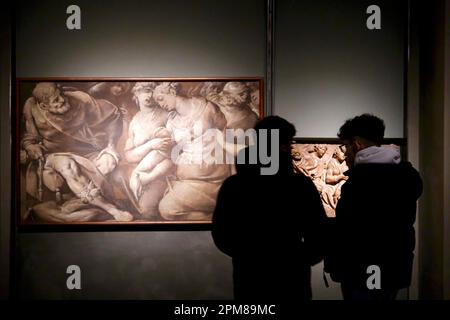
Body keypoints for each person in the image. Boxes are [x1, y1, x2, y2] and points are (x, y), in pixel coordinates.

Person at [212, 116, 327, 300]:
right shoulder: (299, 185)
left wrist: (247, 254)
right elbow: (318, 232)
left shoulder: (234, 185)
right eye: (289, 143)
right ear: (281, 146)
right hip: (291, 276)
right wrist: (299, 258)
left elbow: (221, 233)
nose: (291, 148)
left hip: (250, 275)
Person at [325, 114, 423, 300]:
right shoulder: (406, 176)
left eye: (345, 146)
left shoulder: (360, 183)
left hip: (363, 271)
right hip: (393, 269)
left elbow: (349, 232)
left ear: (356, 144)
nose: (345, 153)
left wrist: (335, 264)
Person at [21, 82, 133, 222]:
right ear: (43, 106)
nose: (62, 99)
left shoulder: (81, 99)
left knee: (108, 162)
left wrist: (110, 146)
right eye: (56, 100)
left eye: (60, 94)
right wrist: (30, 147)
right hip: (55, 155)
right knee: (67, 165)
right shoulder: (31, 107)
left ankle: (74, 205)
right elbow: (29, 138)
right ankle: (112, 209)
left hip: (89, 153)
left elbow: (113, 114)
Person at [152, 82, 230, 221]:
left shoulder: (206, 107)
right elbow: (171, 149)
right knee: (167, 210)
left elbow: (225, 133)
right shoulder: (171, 121)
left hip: (213, 178)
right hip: (188, 178)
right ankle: (213, 219)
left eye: (160, 98)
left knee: (167, 208)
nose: (160, 104)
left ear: (171, 91)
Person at [123, 82, 174, 219]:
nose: (149, 95)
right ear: (136, 94)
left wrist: (145, 174)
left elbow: (170, 149)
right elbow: (129, 156)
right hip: (137, 171)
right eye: (145, 91)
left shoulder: (166, 115)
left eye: (152, 91)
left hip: (162, 172)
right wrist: (150, 145)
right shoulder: (134, 121)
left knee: (147, 209)